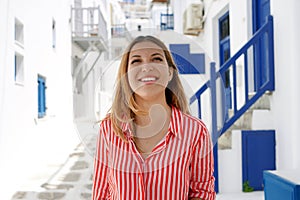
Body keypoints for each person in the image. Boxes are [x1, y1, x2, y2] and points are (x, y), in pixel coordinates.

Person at [92, 35, 216, 200]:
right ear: (126, 76)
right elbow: (100, 194)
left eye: (156, 59)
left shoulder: (196, 131)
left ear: (170, 72)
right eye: (136, 61)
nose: (146, 67)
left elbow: (202, 193)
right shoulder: (109, 128)